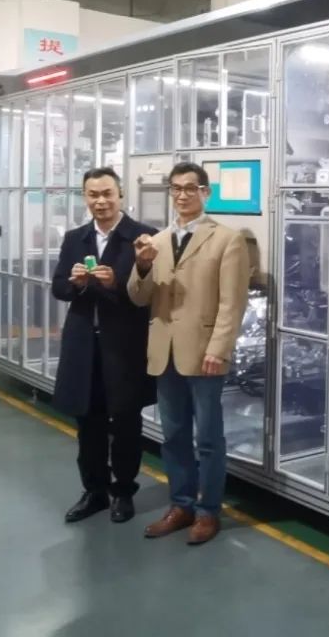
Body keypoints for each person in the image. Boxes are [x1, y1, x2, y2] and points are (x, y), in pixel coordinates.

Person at [127, 162, 250, 545]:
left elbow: (233, 303)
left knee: (208, 438)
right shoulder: (157, 241)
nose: (182, 195)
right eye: (176, 188)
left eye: (190, 188)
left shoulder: (227, 240)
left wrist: (219, 349)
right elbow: (138, 297)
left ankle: (208, 511)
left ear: (205, 193)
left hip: (204, 354)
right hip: (165, 352)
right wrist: (142, 266)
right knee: (174, 435)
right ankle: (181, 505)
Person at [50, 167, 156, 524]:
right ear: (85, 198)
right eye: (93, 194)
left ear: (120, 194)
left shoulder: (142, 237)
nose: (101, 201)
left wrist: (115, 284)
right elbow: (59, 287)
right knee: (88, 422)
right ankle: (94, 490)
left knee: (125, 421)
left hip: (124, 346)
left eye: (107, 193)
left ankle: (123, 491)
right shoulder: (75, 238)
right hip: (84, 344)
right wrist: (76, 283)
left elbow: (149, 294)